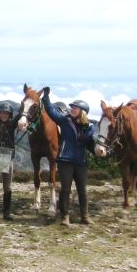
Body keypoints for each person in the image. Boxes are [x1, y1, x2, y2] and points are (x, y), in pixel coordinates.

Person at [42, 87, 96, 226]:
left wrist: (97, 151)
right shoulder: (65, 121)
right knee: (65, 189)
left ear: (82, 112)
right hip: (65, 160)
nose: (72, 109)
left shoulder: (89, 128)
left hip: (81, 162)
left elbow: (90, 144)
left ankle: (85, 215)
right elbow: (51, 111)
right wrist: (46, 97)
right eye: (72, 107)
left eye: (75, 108)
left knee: (82, 190)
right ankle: (65, 216)